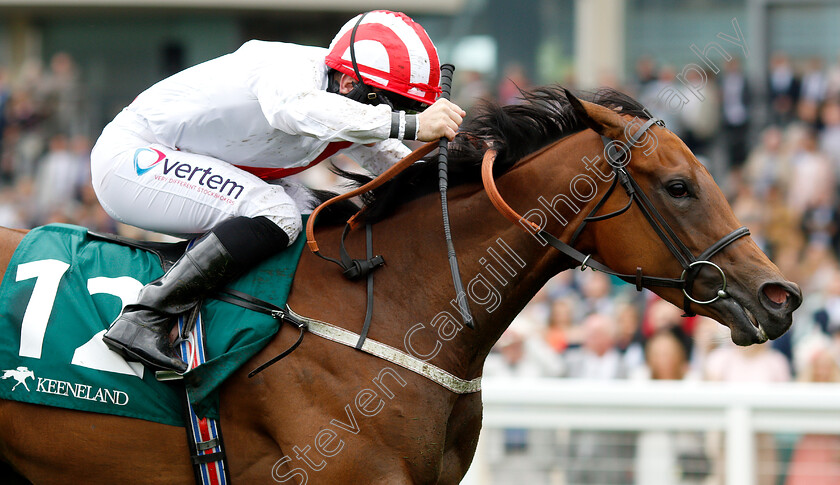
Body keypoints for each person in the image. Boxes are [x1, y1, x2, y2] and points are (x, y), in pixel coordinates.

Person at [90, 10, 466, 373]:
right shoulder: (288, 69)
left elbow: (395, 164)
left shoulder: (350, 98)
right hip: (132, 159)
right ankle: (145, 318)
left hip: (186, 161)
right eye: (395, 106)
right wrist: (411, 123)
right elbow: (297, 112)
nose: (399, 114)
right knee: (277, 213)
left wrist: (469, 176)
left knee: (311, 221)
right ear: (350, 85)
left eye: (408, 107)